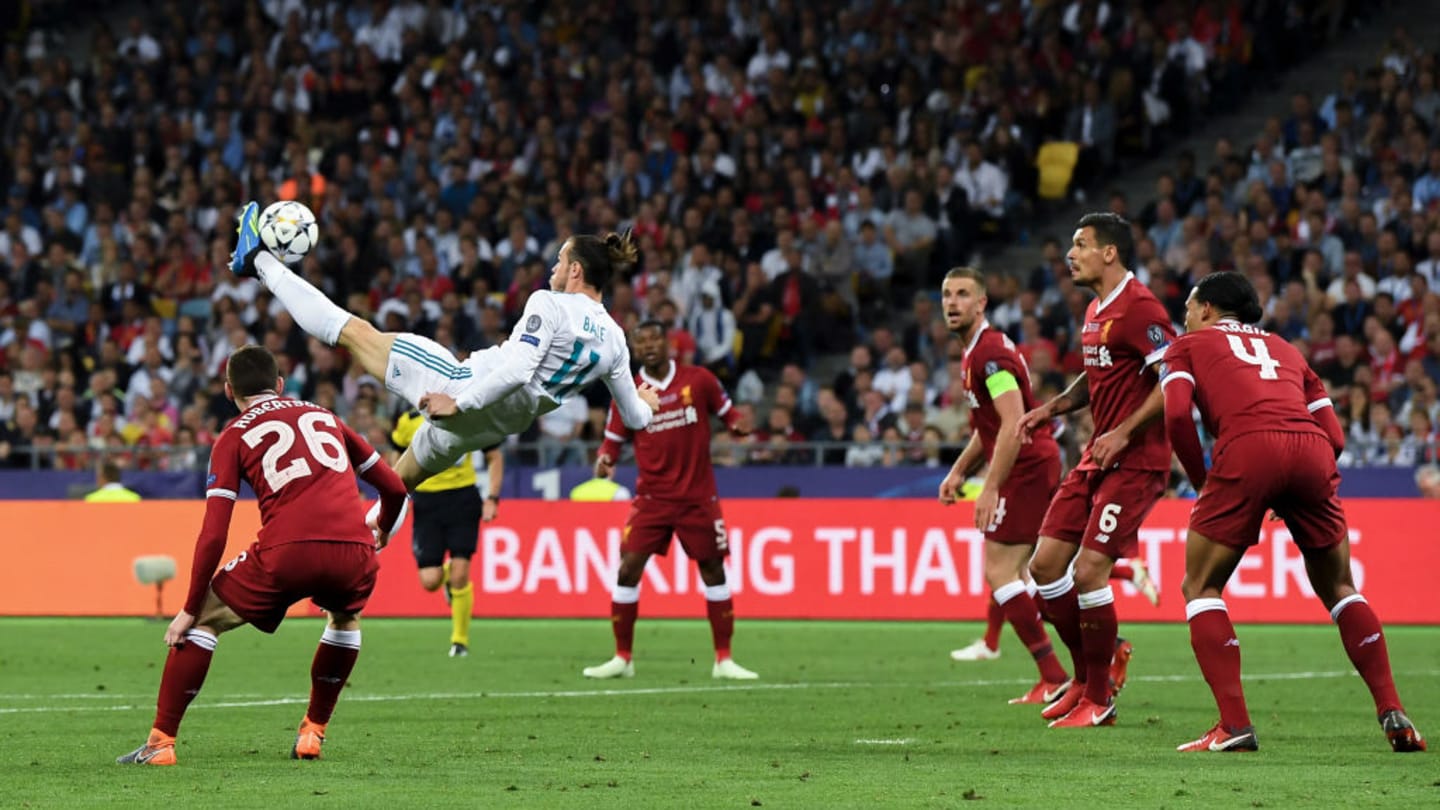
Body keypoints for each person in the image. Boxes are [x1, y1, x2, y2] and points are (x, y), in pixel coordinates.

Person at [1160, 272, 1425, 753]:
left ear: (1205, 310)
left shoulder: (1187, 346)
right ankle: (1393, 711)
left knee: (1199, 586)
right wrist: (1294, 482)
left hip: (1246, 446)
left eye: (1188, 308)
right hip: (1310, 449)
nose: (1184, 317)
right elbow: (1337, 438)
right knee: (1341, 588)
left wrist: (1203, 484)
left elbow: (1177, 415)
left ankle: (1234, 725)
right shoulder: (1287, 349)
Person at [230, 202, 659, 489]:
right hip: (487, 430)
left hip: (460, 391)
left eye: (562, 260)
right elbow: (636, 418)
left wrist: (460, 402)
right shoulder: (616, 340)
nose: (554, 266)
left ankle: (258, 260)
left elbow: (517, 372)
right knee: (395, 491)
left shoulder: (550, 303)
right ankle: (361, 546)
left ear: (577, 270)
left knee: (355, 333)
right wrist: (647, 402)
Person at [117, 345, 408, 766]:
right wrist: (380, 529)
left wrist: (189, 606)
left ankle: (161, 743)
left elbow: (214, 532)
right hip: (354, 550)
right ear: (280, 385)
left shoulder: (232, 435)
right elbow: (395, 489)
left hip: (287, 551)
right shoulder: (327, 417)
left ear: (228, 390)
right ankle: (313, 733)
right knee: (344, 618)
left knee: (203, 622)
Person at [1016, 212, 1175, 728]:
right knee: (1043, 567)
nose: (1071, 253)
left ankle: (1099, 697)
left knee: (1087, 571)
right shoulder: (1094, 310)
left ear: (1110, 253)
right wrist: (1051, 408)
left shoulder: (1141, 307)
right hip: (1097, 455)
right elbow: (1095, 376)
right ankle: (1086, 678)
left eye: (1081, 244)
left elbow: (1171, 379)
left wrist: (1125, 431)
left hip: (1136, 458)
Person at [582, 320, 757, 680]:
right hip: (652, 498)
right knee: (628, 568)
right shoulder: (628, 391)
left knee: (713, 569)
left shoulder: (699, 380)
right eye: (640, 341)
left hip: (697, 497)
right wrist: (604, 460)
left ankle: (724, 659)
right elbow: (612, 442)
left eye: (654, 339)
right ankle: (622, 658)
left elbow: (729, 413)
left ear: (668, 344)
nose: (648, 346)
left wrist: (740, 423)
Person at [936, 266, 1071, 704]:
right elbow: (990, 426)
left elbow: (1013, 423)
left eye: (962, 294)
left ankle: (1057, 673)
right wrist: (960, 470)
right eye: (946, 295)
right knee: (1028, 574)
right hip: (1030, 462)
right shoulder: (977, 351)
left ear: (981, 304)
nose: (952, 302)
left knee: (1000, 571)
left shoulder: (989, 355)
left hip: (1027, 466)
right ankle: (1097, 653)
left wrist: (990, 487)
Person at [390, 409, 503, 658]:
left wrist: (492, 497)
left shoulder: (469, 413)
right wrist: (396, 496)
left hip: (463, 497)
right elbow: (396, 456)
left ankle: (459, 641)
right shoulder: (408, 421)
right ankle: (448, 576)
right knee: (430, 581)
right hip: (426, 502)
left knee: (462, 574)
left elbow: (494, 456)